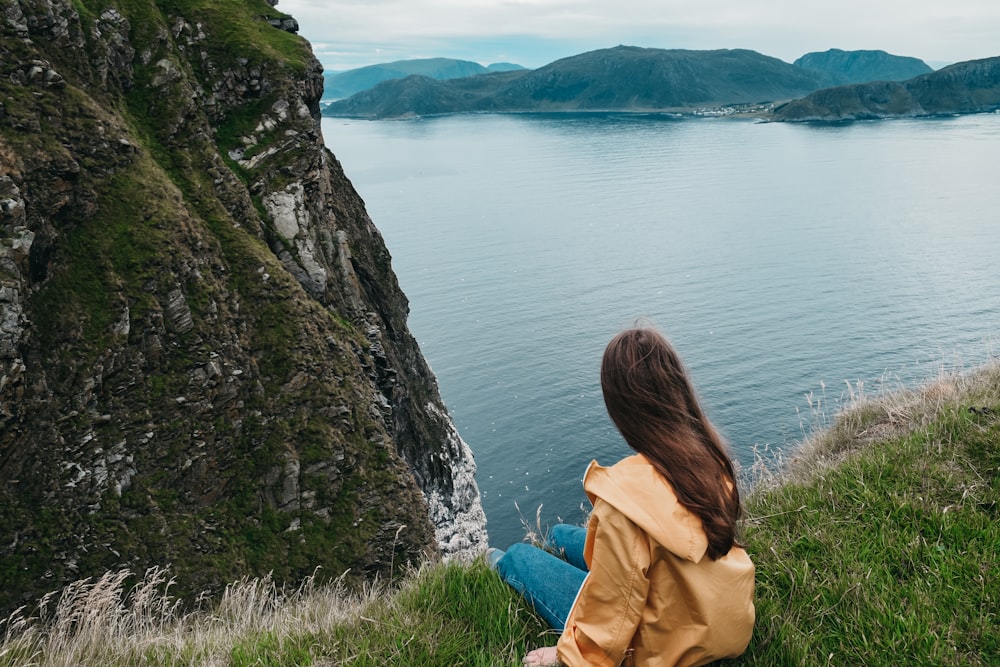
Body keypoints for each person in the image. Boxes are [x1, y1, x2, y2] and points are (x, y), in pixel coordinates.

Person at [489, 326, 755, 667]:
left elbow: (613, 612)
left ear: (619, 405)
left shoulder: (624, 502)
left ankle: (493, 561)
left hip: (663, 650)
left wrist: (565, 655)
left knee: (518, 555)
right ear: (677, 386)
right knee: (559, 536)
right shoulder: (709, 457)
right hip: (722, 625)